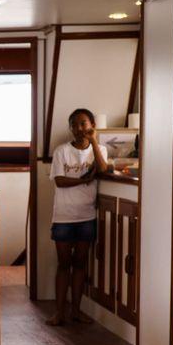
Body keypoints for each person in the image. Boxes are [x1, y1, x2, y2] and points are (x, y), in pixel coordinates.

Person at [46, 108, 109, 326]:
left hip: (86, 216)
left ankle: (76, 311)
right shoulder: (61, 151)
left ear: (92, 125)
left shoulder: (100, 149)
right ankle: (59, 313)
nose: (79, 128)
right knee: (64, 264)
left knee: (80, 264)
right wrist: (83, 180)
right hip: (63, 217)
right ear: (71, 128)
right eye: (74, 124)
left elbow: (103, 169)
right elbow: (59, 181)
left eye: (83, 123)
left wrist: (94, 142)